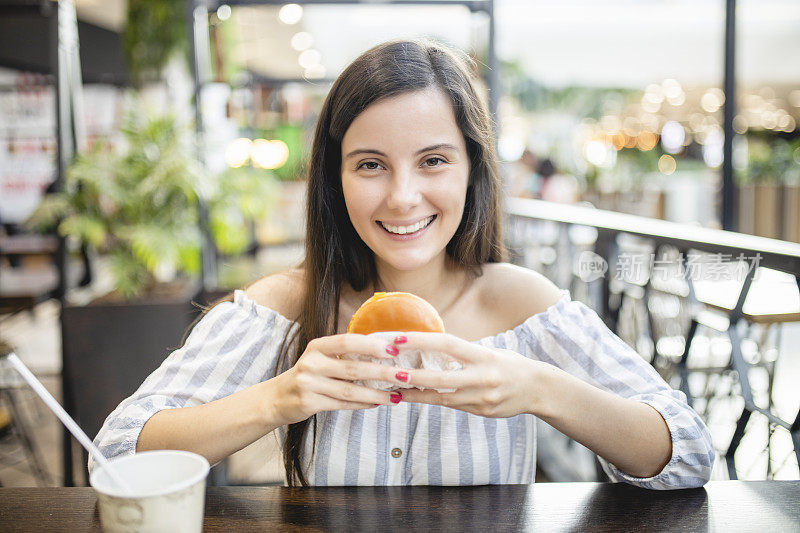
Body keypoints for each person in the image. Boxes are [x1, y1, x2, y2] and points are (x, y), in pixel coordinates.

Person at [93, 40, 714, 489]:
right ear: (335, 181)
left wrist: (537, 388)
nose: (402, 197)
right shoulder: (285, 306)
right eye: (370, 164)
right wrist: (280, 398)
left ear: (473, 170)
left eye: (434, 161)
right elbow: (117, 453)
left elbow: (685, 454)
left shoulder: (523, 306)